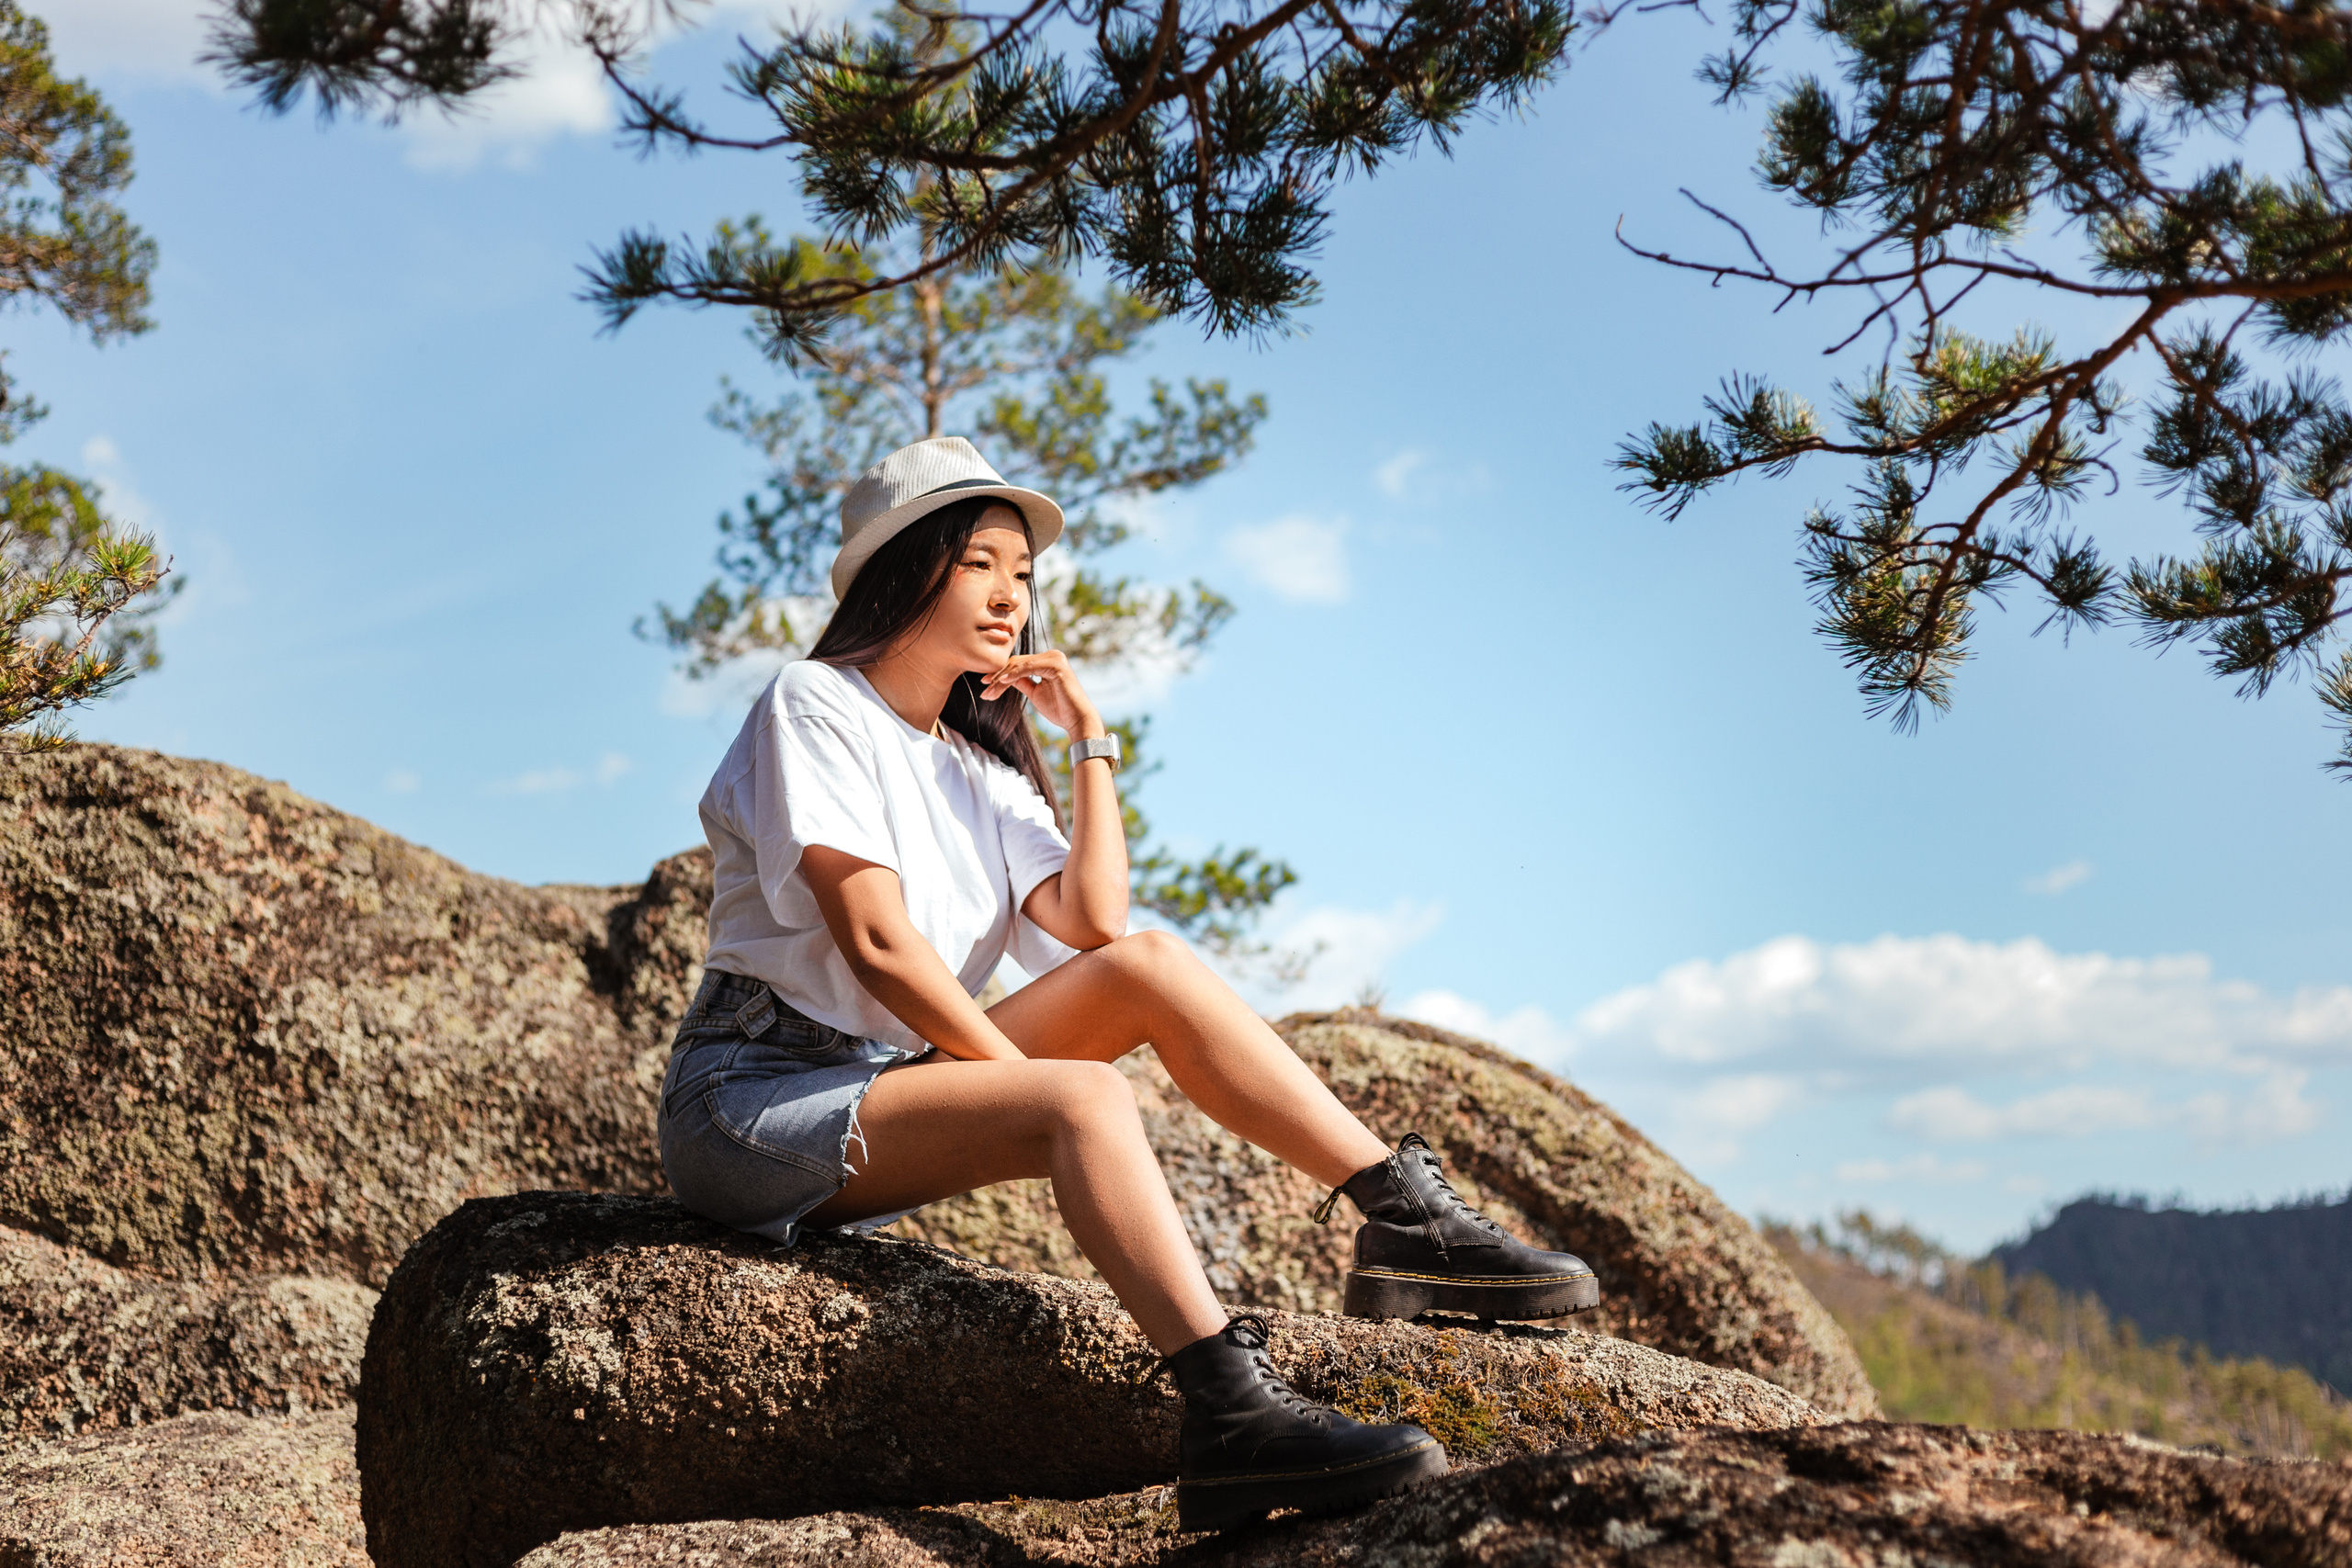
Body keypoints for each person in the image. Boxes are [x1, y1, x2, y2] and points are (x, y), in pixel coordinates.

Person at [660, 436, 1600, 1531]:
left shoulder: (974, 762)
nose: (1013, 594)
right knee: (1082, 1095)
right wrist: (1021, 1087)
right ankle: (1228, 1416)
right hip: (750, 1101)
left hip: (880, 1088)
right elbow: (875, 941)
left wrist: (1091, 742)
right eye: (982, 563)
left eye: (1024, 572)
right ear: (901, 569)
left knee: (1149, 963)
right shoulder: (813, 703)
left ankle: (1402, 1220)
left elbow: (1091, 922)